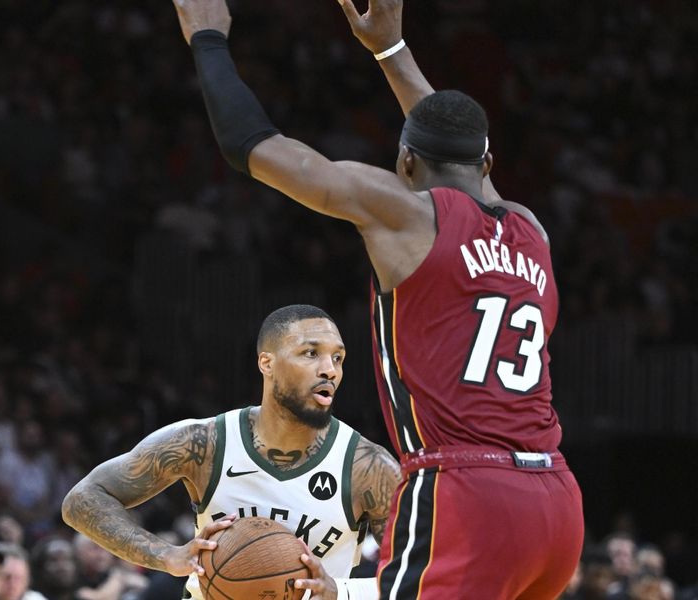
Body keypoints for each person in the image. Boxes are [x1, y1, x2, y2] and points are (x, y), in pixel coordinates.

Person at [170, 0, 584, 597]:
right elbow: (459, 143)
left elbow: (249, 145)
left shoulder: (406, 213)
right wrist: (390, 51)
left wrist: (207, 39)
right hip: (556, 503)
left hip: (466, 492)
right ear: (487, 162)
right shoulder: (530, 229)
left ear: (406, 160)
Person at [62, 305, 401, 599]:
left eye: (337, 357)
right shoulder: (204, 443)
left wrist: (342, 592)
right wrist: (168, 556)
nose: (330, 369)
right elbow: (83, 500)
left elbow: (426, 574)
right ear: (266, 363)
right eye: (311, 353)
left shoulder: (366, 467)